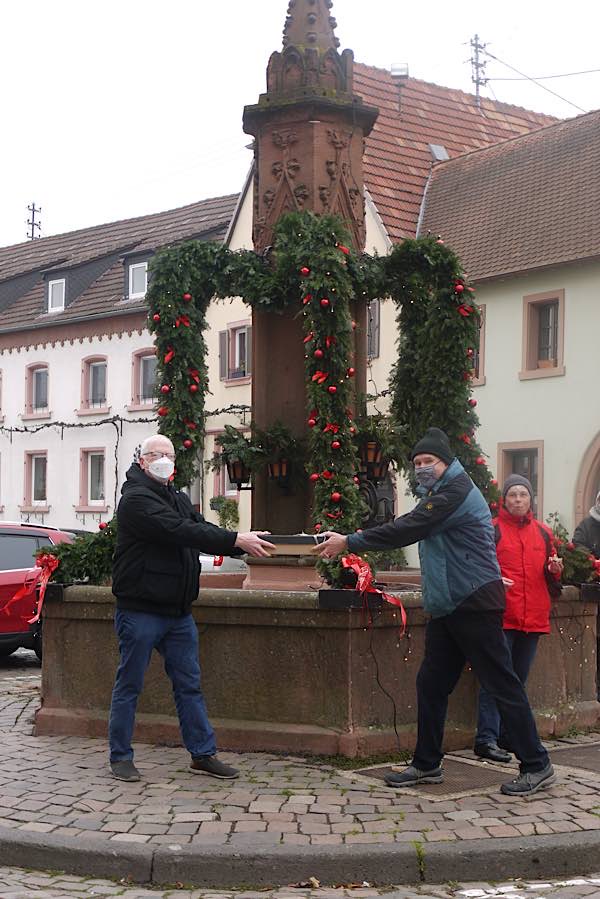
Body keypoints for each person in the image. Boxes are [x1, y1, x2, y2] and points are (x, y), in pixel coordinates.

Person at [316, 427, 555, 796]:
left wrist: (350, 540)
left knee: (502, 683)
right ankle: (427, 764)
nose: (423, 467)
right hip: (450, 604)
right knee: (432, 684)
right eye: (417, 463)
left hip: (473, 602)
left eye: (430, 461)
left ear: (447, 463)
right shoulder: (440, 492)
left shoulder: (455, 492)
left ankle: (537, 764)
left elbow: (410, 527)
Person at [109, 434, 276, 783]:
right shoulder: (136, 500)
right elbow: (179, 530)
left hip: (178, 612)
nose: (166, 460)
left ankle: (203, 754)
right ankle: (120, 756)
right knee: (130, 684)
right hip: (140, 610)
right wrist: (235, 539)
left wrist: (240, 543)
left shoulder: (176, 496)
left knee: (189, 685)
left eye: (170, 454)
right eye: (158, 454)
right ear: (142, 460)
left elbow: (199, 528)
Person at [474, 474, 562, 764]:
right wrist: (493, 580)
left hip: (533, 616)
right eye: (513, 495)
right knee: (494, 679)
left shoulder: (543, 532)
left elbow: (551, 577)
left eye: (523, 494)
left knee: (517, 681)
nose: (518, 500)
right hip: (502, 615)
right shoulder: (493, 529)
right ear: (504, 500)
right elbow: (478, 565)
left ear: (530, 499)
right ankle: (486, 737)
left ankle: (507, 734)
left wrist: (554, 568)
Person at [573, 490, 600, 559]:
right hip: (592, 567)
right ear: (598, 502)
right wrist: (592, 558)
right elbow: (577, 544)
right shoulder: (585, 525)